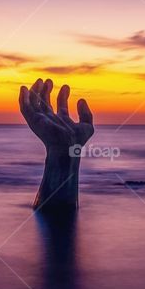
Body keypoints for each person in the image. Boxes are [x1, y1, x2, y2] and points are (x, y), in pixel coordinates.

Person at [18, 78, 94, 213]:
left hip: (52, 215)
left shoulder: (70, 138)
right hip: (66, 213)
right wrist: (67, 148)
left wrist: (63, 148)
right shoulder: (73, 138)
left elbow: (55, 217)